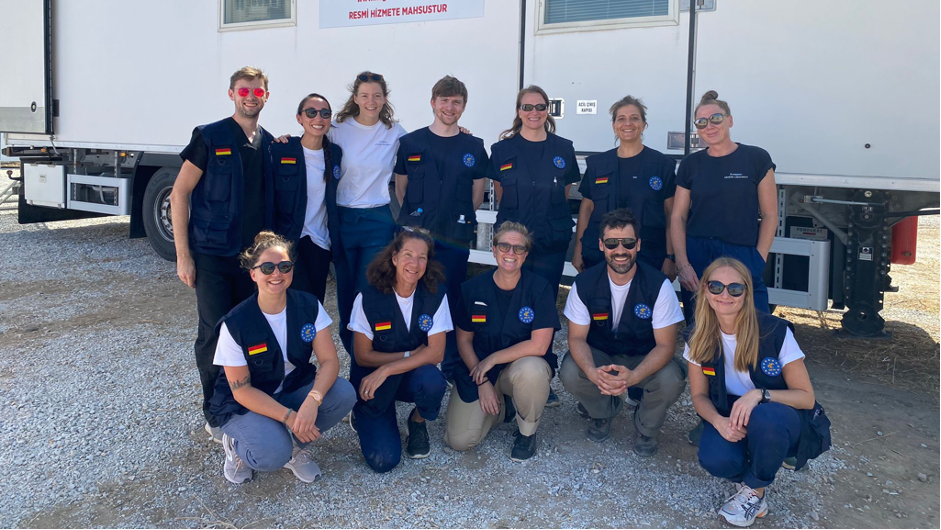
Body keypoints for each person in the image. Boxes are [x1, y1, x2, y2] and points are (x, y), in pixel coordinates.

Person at [170, 66, 275, 443]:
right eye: (244, 90)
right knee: (215, 333)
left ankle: (244, 401)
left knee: (248, 333)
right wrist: (184, 255)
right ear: (231, 94)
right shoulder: (209, 136)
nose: (251, 96)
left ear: (266, 96)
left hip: (252, 262)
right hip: (212, 256)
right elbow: (179, 193)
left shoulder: (267, 142)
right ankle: (215, 412)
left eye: (258, 91)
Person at [684, 257, 831, 527]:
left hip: (779, 414)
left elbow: (806, 397)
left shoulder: (775, 332)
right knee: (715, 459)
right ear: (705, 289)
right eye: (716, 286)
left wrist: (759, 394)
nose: (724, 294)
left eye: (735, 289)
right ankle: (756, 466)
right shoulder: (698, 335)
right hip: (732, 413)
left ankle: (755, 490)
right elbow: (698, 397)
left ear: (747, 292)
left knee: (766, 419)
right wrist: (719, 422)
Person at [208, 231, 357, 484]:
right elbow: (241, 391)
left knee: (343, 393)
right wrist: (290, 416)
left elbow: (330, 361)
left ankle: (293, 446)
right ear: (253, 274)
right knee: (272, 455)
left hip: (291, 388)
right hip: (246, 403)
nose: (276, 274)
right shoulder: (235, 323)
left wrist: (313, 398)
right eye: (267, 267)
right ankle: (236, 445)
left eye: (284, 266)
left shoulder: (309, 306)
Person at [559, 209, 686, 456]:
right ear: (601, 245)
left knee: (672, 378)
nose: (620, 250)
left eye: (627, 243)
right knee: (571, 371)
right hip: (602, 355)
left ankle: (646, 427)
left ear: (638, 245)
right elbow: (575, 338)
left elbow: (666, 346)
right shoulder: (584, 284)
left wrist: (633, 377)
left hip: (642, 356)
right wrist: (592, 373)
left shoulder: (658, 285)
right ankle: (602, 412)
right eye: (611, 243)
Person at [488, 85, 580, 406]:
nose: (534, 113)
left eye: (540, 107)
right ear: (518, 111)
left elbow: (564, 192)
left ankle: (543, 373)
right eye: (527, 107)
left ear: (547, 111)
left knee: (543, 308)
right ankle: (503, 370)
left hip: (550, 243)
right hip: (513, 245)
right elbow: (501, 194)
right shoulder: (501, 151)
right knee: (509, 304)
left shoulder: (563, 149)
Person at [393, 75, 490, 382]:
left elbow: (477, 194)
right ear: (433, 102)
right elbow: (401, 189)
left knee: (450, 298)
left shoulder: (473, 146)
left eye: (456, 102)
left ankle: (449, 362)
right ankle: (411, 358)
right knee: (410, 295)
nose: (450, 107)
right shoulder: (410, 143)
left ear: (463, 106)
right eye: (444, 100)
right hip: (415, 238)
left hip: (454, 238)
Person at [444, 222, 559, 461]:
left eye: (518, 248)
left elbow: (539, 345)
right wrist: (483, 380)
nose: (510, 253)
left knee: (533, 370)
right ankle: (503, 409)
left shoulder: (539, 289)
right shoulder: (472, 289)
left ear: (525, 255)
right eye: (504, 246)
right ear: (494, 250)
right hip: (479, 371)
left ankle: (527, 432)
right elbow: (463, 340)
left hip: (516, 370)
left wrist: (492, 359)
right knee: (459, 441)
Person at [347, 229, 452, 473]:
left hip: (407, 376)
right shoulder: (368, 297)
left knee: (433, 380)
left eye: (422, 257)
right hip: (373, 383)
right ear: (394, 258)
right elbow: (363, 355)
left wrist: (387, 368)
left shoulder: (435, 295)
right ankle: (366, 415)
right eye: (408, 255)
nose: (414, 264)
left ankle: (416, 422)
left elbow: (436, 353)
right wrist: (408, 356)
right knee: (384, 461)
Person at [671, 90, 778, 319]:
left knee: (751, 326)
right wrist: (683, 264)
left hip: (742, 252)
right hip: (699, 252)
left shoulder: (756, 158)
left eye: (716, 118)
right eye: (701, 122)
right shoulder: (691, 164)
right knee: (701, 328)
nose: (709, 126)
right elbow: (678, 217)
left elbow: (770, 214)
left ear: (729, 120)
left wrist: (759, 258)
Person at [332, 72, 408, 355]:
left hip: (377, 221)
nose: (370, 101)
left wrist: (458, 131)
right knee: (346, 292)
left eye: (377, 95)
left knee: (370, 290)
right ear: (355, 98)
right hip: (343, 220)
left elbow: (427, 147)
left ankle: (371, 357)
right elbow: (308, 145)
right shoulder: (337, 128)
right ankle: (354, 354)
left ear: (385, 98)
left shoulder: (395, 132)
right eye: (364, 95)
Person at [573, 96, 677, 282]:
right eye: (621, 118)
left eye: (634, 118)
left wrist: (671, 257)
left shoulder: (662, 166)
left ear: (644, 124)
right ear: (614, 125)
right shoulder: (597, 165)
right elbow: (586, 209)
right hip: (599, 255)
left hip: (649, 255)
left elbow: (671, 214)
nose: (628, 123)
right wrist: (578, 250)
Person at [268, 93, 343, 304]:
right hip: (288, 241)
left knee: (314, 302)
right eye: (311, 112)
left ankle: (310, 338)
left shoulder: (335, 153)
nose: (318, 118)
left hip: (319, 242)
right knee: (296, 300)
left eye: (325, 113)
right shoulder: (281, 149)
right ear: (299, 118)